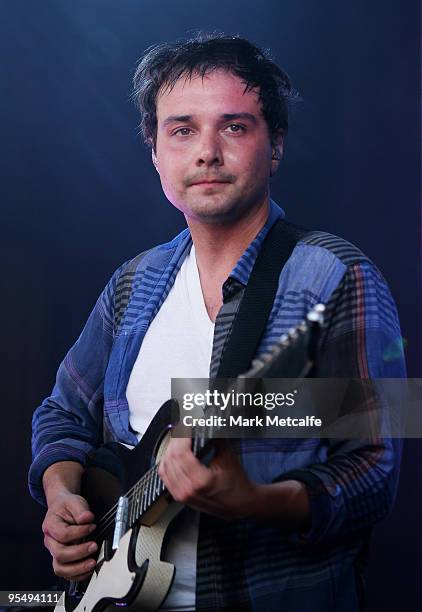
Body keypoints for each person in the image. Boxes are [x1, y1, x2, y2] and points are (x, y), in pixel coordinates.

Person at [29, 34, 406, 612]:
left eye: (234, 126)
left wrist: (255, 500)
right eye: (181, 130)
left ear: (275, 145)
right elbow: (62, 413)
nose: (206, 151)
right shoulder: (134, 283)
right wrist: (62, 497)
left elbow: (375, 468)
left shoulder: (335, 277)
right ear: (155, 151)